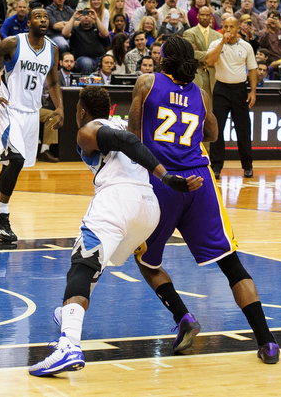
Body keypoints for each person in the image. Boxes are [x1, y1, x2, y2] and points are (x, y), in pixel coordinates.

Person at [128, 35, 279, 364]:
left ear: (164, 59)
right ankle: (266, 340)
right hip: (201, 183)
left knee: (145, 260)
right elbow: (211, 133)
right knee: (230, 262)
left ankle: (183, 316)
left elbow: (131, 134)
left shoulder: (146, 82)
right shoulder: (201, 93)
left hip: (163, 182)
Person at [28, 85, 194, 377]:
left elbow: (123, 140)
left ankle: (69, 345)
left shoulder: (89, 129)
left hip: (118, 201)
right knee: (96, 264)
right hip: (147, 209)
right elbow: (134, 139)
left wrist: (166, 176)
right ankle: (67, 315)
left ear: (82, 110)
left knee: (82, 264)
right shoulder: (127, 122)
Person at [0, 8, 63, 241]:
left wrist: (60, 107)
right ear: (28, 21)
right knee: (16, 159)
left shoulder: (52, 48)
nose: (43, 19)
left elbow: (53, 82)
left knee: (10, 165)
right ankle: (2, 216)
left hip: (32, 113)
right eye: (38, 16)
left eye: (46, 17)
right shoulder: (13, 43)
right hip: (8, 107)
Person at [206, 17, 257, 179]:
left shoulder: (246, 46)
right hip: (221, 89)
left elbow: (253, 69)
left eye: (231, 27)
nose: (228, 30)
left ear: (237, 29)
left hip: (240, 90)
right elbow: (209, 61)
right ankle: (216, 166)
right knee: (217, 129)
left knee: (243, 129)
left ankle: (247, 166)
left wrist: (253, 91)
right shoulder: (216, 44)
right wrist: (222, 43)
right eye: (225, 26)